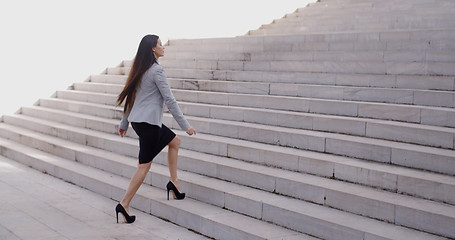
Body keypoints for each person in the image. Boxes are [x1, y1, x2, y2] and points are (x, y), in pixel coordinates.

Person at [114, 34, 196, 224]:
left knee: (175, 141)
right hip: (149, 124)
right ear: (153, 48)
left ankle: (174, 183)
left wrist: (125, 123)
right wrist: (186, 125)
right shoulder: (156, 71)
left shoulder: (140, 69)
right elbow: (170, 100)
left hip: (141, 122)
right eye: (160, 44)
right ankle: (124, 204)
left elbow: (131, 97)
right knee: (144, 166)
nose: (163, 47)